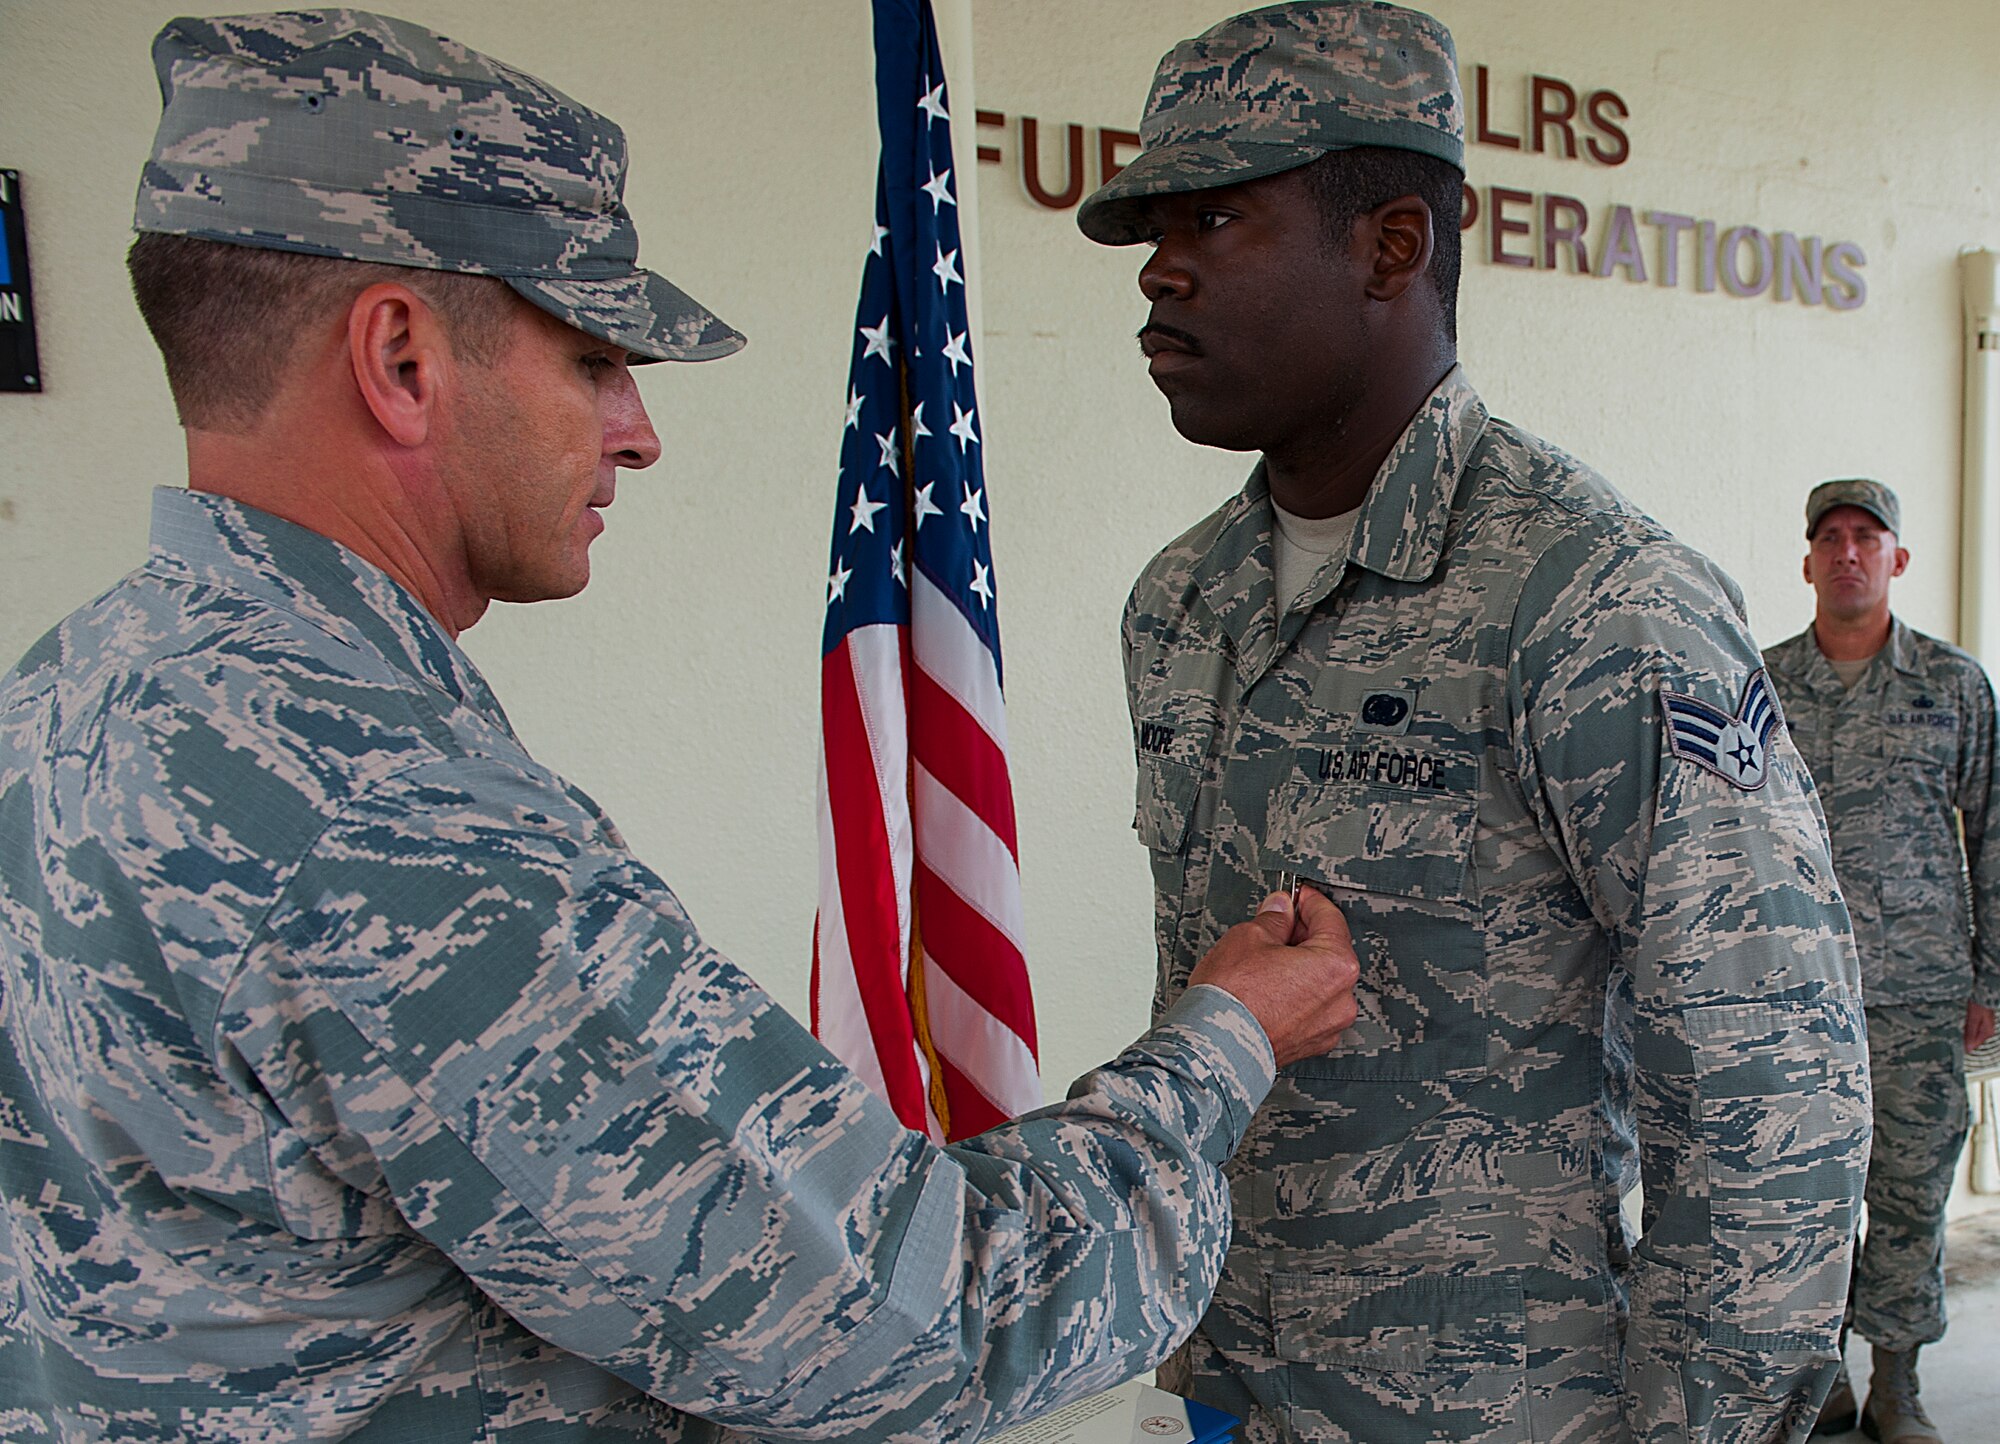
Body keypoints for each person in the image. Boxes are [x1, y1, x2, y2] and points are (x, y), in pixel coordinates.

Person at [0, 13, 1366, 1442]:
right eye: (594, 356)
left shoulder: (78, 692)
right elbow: (923, 1321)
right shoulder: (389, 812)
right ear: (401, 357)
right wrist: (1222, 1049)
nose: (638, 428)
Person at [1076, 4, 1871, 1440]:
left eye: (1212, 218)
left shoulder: (1596, 605)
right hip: (1236, 1387)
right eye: (1151, 231)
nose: (1161, 274)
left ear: (1393, 246)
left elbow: (1774, 1101)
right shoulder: (1182, 605)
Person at [1763, 479, 2000, 1443]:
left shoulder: (1952, 685)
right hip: (1792, 994)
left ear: (1897, 559)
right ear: (1809, 560)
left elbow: (1993, 834)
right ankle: (1819, 1378)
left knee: (1907, 1192)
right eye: (1831, 538)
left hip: (1919, 993)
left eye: (1869, 536)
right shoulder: (1760, 681)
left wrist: (1994, 982)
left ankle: (1895, 1385)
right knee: (1801, 1192)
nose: (1849, 552)